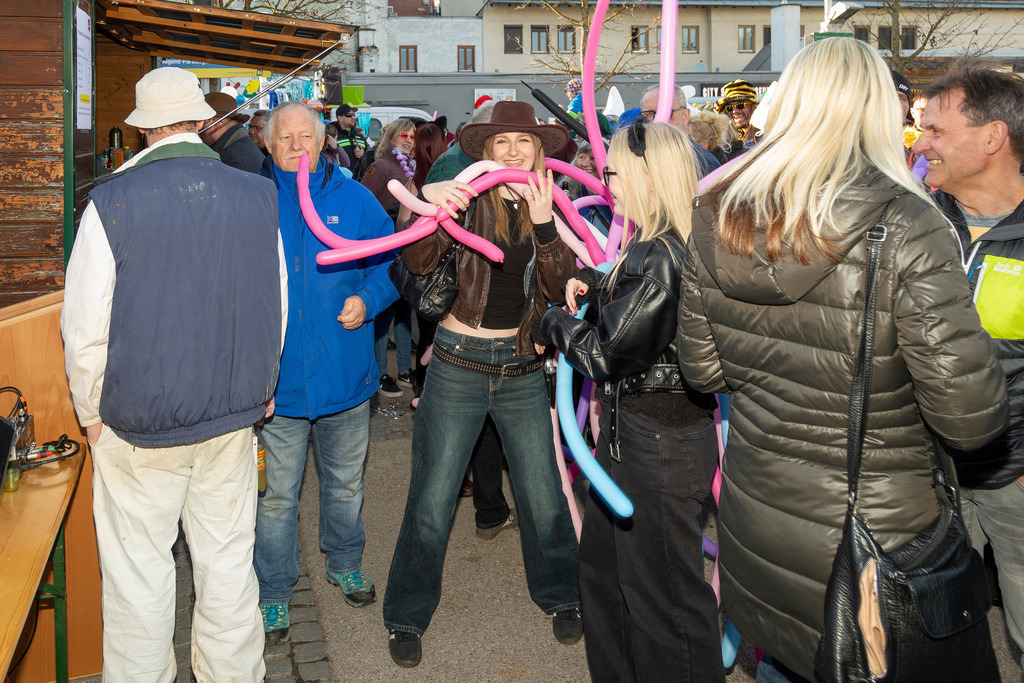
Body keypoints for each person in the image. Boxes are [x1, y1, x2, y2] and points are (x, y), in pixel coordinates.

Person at [676, 38, 1009, 682]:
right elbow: (971, 420)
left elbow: (705, 372)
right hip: (872, 537)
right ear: (879, 111)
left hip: (761, 520)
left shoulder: (715, 211)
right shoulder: (909, 223)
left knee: (790, 662)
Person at [61, 67, 286, 681]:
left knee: (138, 579)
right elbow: (276, 304)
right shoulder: (258, 194)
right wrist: (262, 389)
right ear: (198, 121)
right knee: (228, 567)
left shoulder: (110, 200)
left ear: (144, 129)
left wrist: (89, 414)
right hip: (231, 420)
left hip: (140, 424)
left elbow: (84, 329)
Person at [383, 100, 582, 668]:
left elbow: (562, 284)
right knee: (432, 496)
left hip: (521, 369)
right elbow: (417, 266)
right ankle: (406, 614)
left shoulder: (553, 207)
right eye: (502, 143)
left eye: (525, 142)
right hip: (458, 361)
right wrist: (429, 209)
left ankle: (563, 597)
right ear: (487, 151)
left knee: (544, 495)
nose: (514, 152)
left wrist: (545, 227)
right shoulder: (466, 197)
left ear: (539, 152)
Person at [536, 120, 723, 681]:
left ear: (647, 173)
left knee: (665, 605)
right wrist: (597, 283)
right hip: (635, 442)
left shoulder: (663, 251)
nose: (605, 180)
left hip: (656, 446)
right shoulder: (662, 244)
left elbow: (605, 355)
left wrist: (552, 322)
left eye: (613, 171)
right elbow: (644, 310)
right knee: (607, 582)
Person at [255, 101, 398, 643]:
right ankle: (273, 592)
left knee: (344, 485)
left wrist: (368, 297)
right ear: (268, 144)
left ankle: (344, 561)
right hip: (276, 388)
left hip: (345, 378)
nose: (297, 145)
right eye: (285, 137)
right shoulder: (253, 201)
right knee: (275, 498)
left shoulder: (354, 199)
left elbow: (391, 261)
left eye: (306, 137)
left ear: (323, 142)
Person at [912, 59, 1024, 675]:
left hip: (1016, 478)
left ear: (992, 137)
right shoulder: (916, 225)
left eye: (934, 129)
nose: (920, 143)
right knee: (933, 636)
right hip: (930, 479)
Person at [362, 118, 418, 396]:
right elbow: (362, 202)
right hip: (383, 250)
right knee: (383, 313)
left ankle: (406, 368)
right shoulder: (382, 165)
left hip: (406, 250)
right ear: (392, 137)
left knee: (405, 312)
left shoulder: (412, 167)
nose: (409, 141)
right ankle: (382, 372)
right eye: (404, 135)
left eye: (413, 137)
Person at [639, 84, 720, 177]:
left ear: (685, 116)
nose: (658, 120)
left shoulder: (706, 164)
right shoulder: (635, 160)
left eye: (667, 112)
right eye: (649, 114)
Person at [200, 92, 266, 173]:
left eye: (201, 122)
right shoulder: (237, 145)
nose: (198, 128)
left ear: (216, 121)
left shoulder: (233, 157)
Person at [714, 79, 759, 157]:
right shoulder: (727, 140)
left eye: (740, 105)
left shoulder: (764, 135)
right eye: (730, 107)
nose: (735, 111)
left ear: (753, 107)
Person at [330, 104, 371, 180]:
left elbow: (369, 155)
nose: (352, 117)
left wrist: (363, 153)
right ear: (340, 118)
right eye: (349, 115)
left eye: (353, 115)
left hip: (359, 179)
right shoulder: (333, 135)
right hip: (340, 179)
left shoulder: (359, 135)